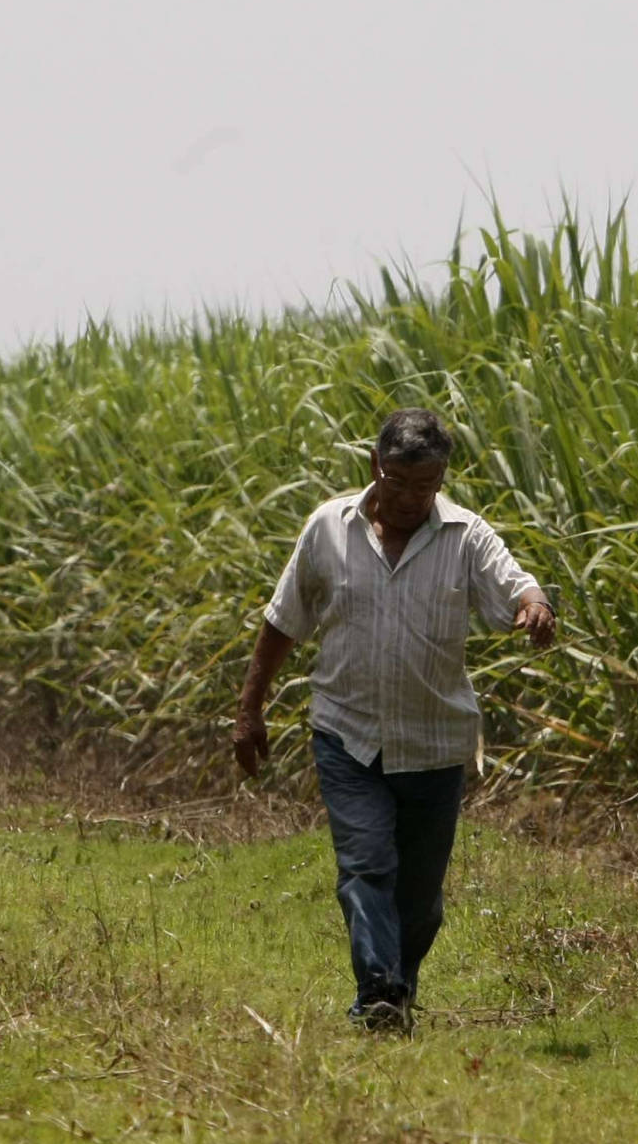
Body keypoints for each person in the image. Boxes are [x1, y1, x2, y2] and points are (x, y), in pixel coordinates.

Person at [234, 408, 556, 1032]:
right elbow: (283, 620)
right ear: (375, 467)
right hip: (346, 734)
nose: (412, 499)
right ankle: (379, 992)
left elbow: (515, 582)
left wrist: (535, 605)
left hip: (433, 743)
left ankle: (396, 989)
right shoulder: (329, 527)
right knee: (366, 866)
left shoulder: (465, 536)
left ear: (441, 480)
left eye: (427, 486)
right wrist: (250, 710)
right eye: (401, 482)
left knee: (420, 899)